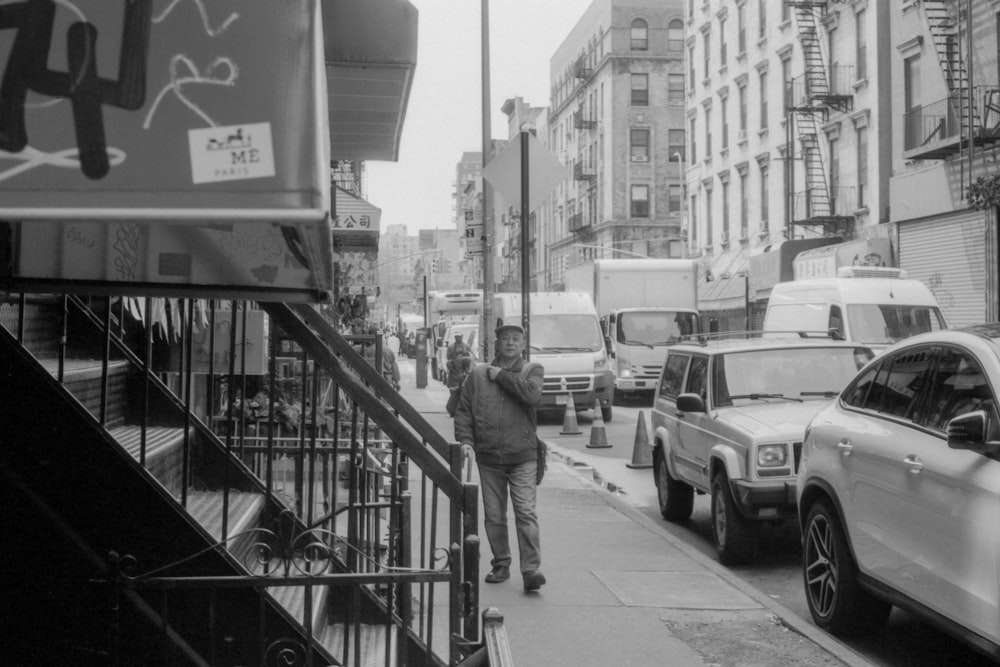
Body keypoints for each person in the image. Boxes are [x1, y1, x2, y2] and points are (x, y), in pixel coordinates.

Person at [454, 323, 546, 592]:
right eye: (505, 339)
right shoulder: (478, 375)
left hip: (523, 456)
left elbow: (531, 395)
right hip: (489, 456)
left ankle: (531, 569)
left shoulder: (533, 370)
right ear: (497, 343)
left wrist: (502, 376)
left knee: (525, 512)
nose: (510, 343)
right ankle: (501, 564)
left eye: (516, 339)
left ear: (523, 344)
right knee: (494, 515)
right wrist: (466, 442)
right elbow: (463, 412)